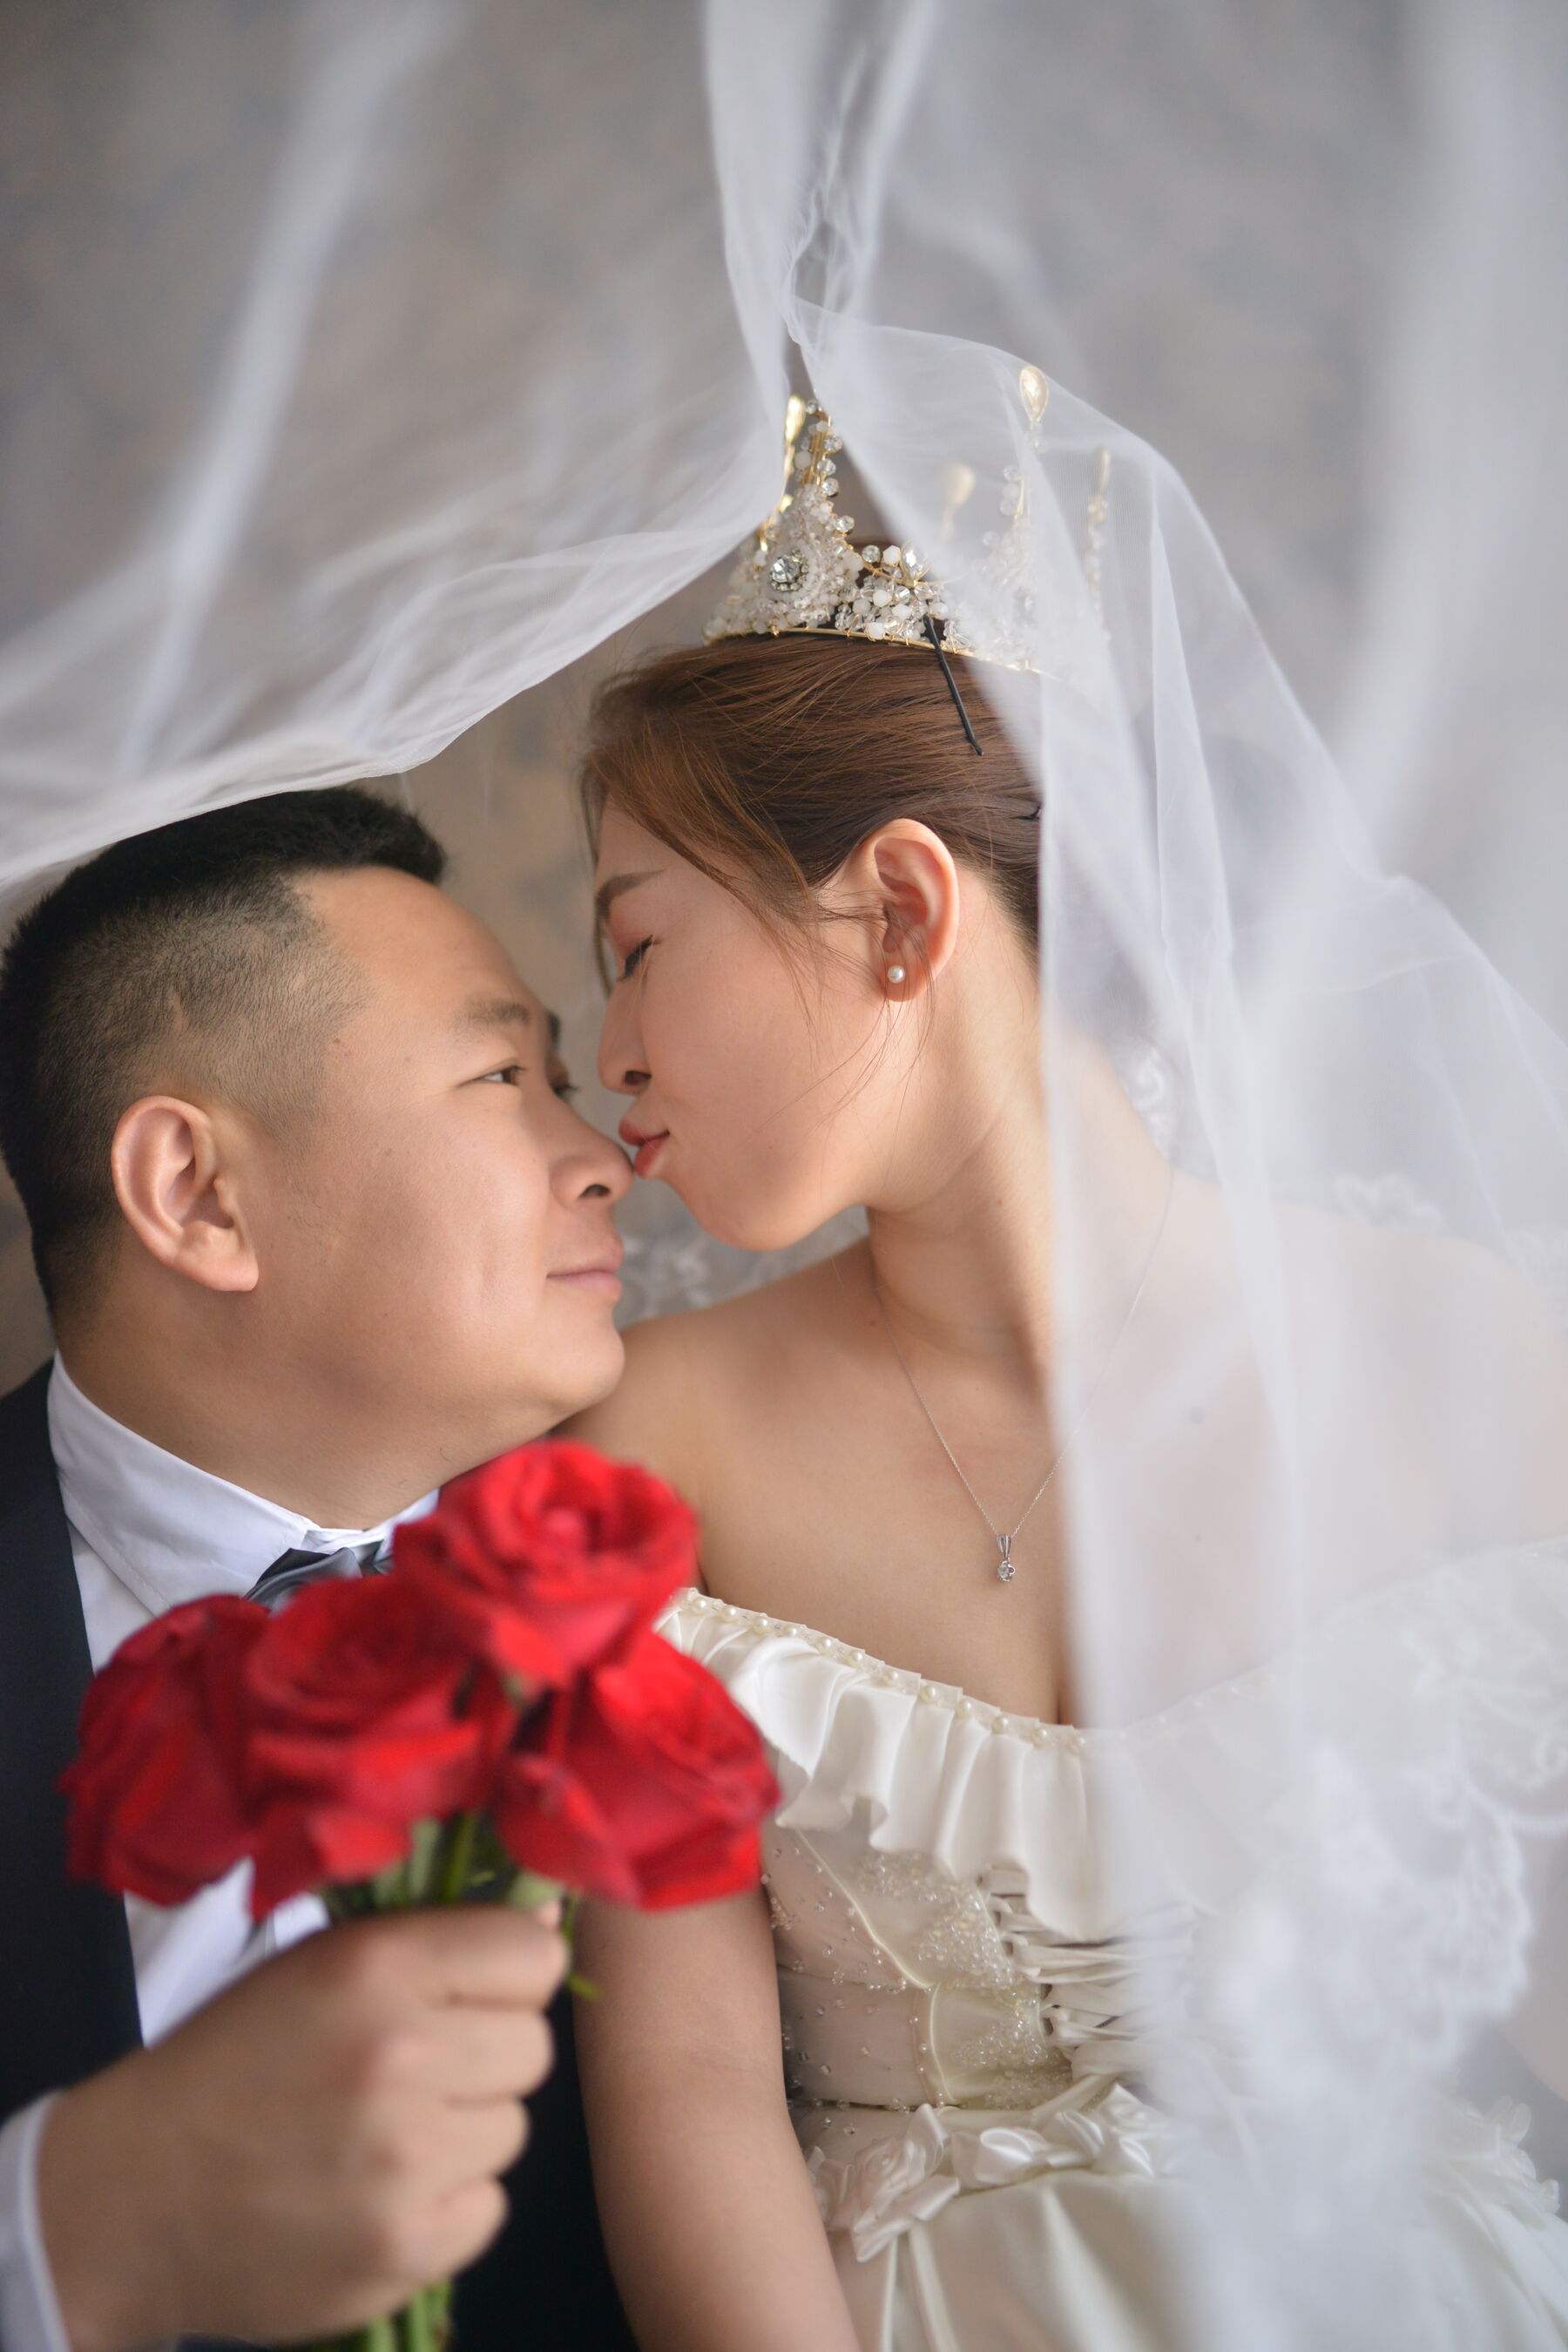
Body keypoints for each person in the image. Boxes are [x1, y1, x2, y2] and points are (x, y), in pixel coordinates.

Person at [564, 581, 1568, 2339]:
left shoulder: (1460, 1348)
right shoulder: (648, 1440)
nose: (611, 1056)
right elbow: (687, 2080)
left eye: (638, 945)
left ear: (900, 909)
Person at [0, 787, 638, 2352]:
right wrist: (70, 2231)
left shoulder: (680, 1578)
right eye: (504, 1078)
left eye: (563, 1082)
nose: (604, 1159)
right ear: (198, 1194)